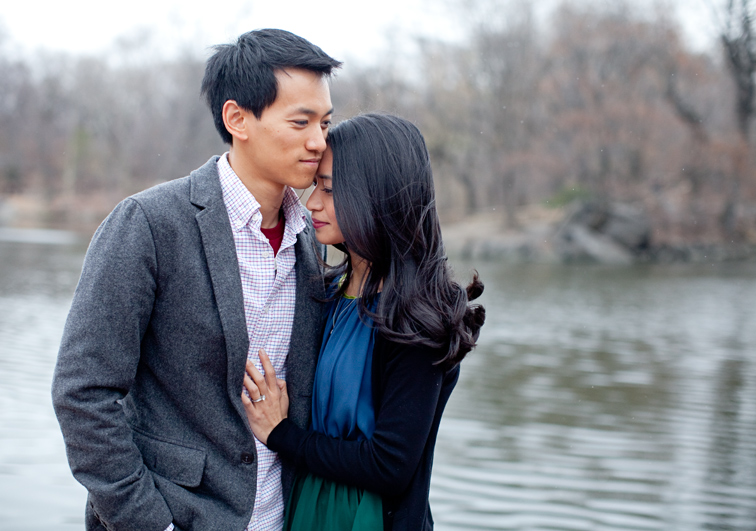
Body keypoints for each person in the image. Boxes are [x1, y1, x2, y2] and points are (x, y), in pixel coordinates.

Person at [51, 29, 341, 531]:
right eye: (301, 122)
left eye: (324, 122)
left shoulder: (312, 238)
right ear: (237, 119)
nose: (318, 141)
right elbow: (83, 393)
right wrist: (150, 523)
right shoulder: (149, 224)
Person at [241, 113, 486, 531]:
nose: (312, 202)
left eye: (330, 190)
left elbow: (388, 465)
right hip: (307, 510)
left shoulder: (416, 315)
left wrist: (281, 434)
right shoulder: (329, 291)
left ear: (378, 197)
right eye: (316, 184)